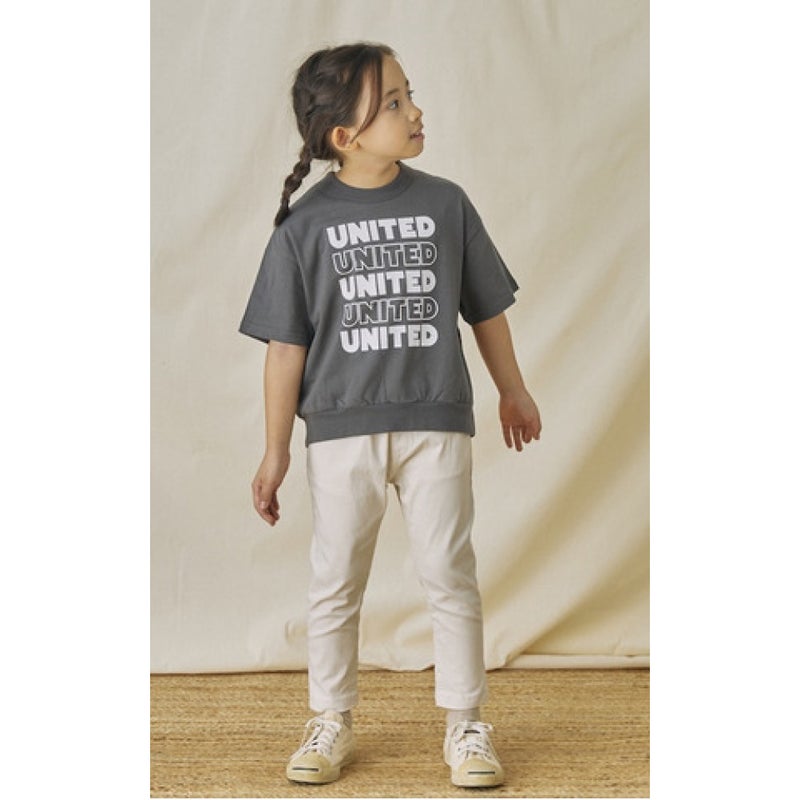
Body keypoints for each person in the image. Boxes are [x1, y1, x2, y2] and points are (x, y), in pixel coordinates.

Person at [239, 42, 542, 788]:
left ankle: (466, 724)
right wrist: (276, 451)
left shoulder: (446, 204)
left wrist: (512, 389)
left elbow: (487, 311)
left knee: (450, 573)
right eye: (396, 103)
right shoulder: (303, 228)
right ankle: (330, 718)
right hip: (340, 432)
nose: (415, 112)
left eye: (410, 95)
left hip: (436, 422)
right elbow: (285, 350)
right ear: (345, 136)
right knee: (335, 580)